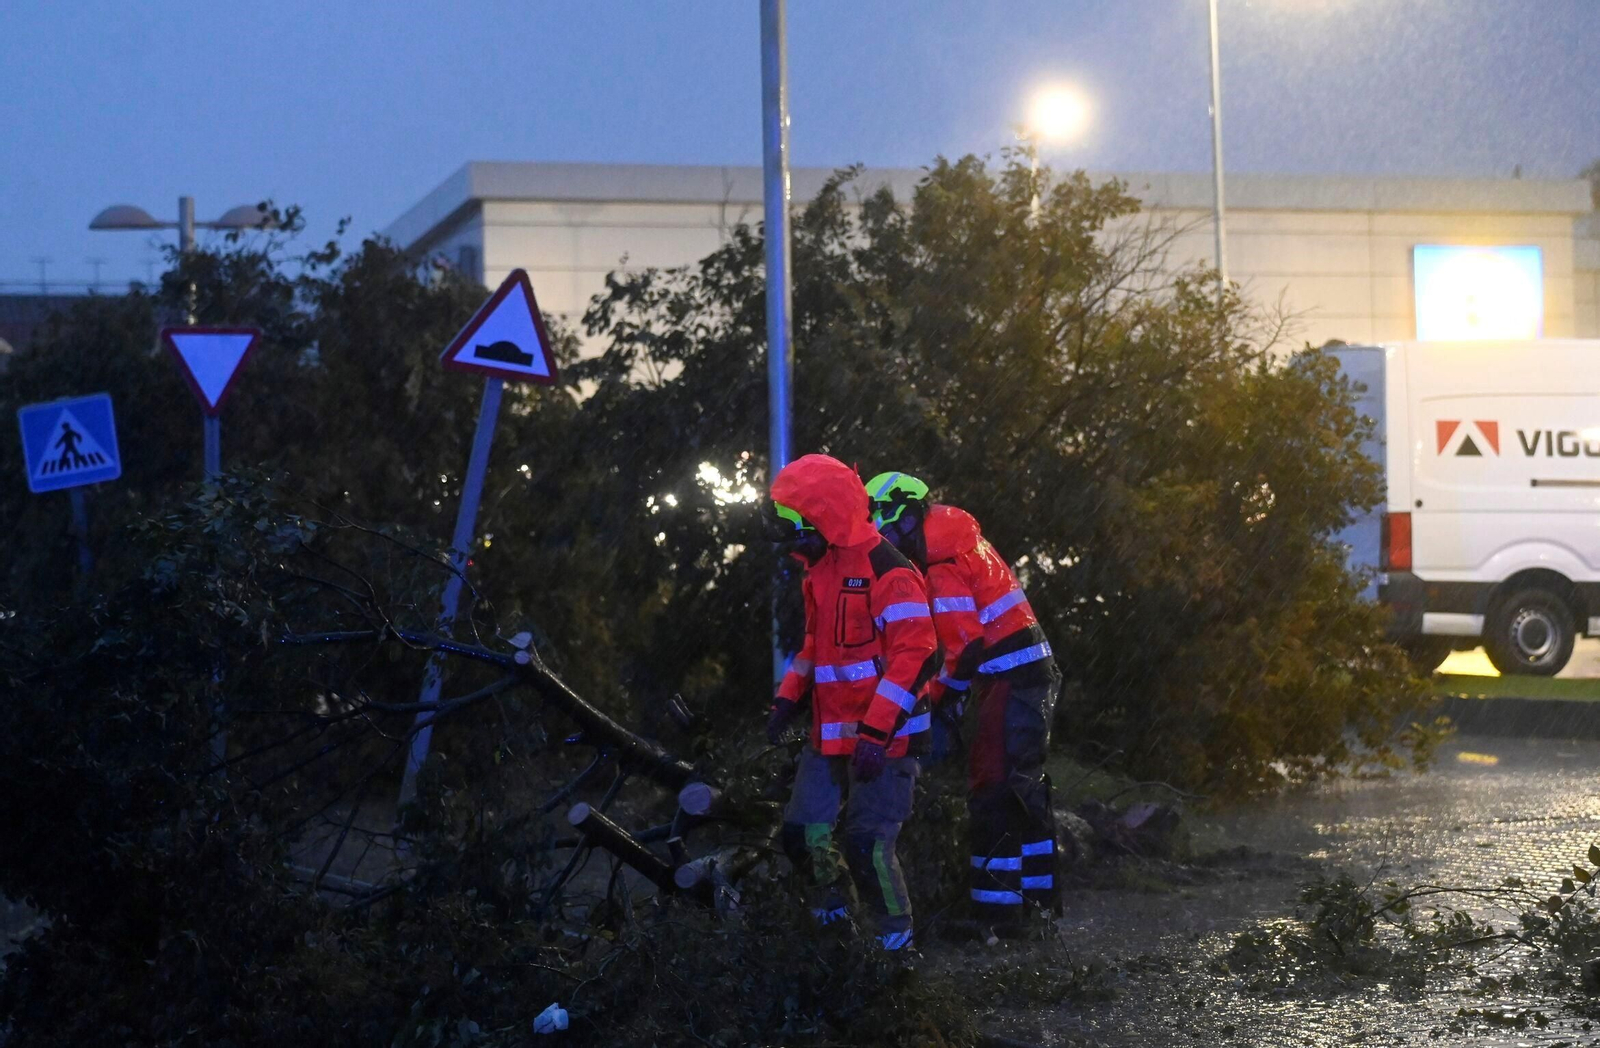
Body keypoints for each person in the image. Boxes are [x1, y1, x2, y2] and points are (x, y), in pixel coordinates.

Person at [865, 471, 1061, 922]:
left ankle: (998, 917)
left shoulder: (940, 561)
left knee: (993, 790)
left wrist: (941, 701)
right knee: (1022, 788)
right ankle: (1039, 908)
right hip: (1025, 672)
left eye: (885, 529)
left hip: (1008, 676)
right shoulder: (958, 539)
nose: (885, 543)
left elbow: (965, 648)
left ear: (905, 518)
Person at [766, 454, 942, 951]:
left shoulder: (890, 570)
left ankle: (894, 950)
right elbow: (813, 648)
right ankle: (836, 936)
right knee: (803, 836)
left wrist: (876, 733)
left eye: (799, 531)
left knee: (867, 845)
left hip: (888, 740)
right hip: (830, 735)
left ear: (824, 520)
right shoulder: (821, 571)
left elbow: (916, 657)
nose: (793, 545)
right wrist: (786, 700)